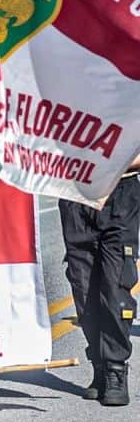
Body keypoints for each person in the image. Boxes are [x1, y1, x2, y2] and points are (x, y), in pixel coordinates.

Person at [58, 157, 140, 406]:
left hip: (119, 194)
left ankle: (116, 368)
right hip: (75, 194)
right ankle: (100, 366)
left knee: (114, 288)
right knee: (83, 289)